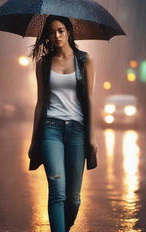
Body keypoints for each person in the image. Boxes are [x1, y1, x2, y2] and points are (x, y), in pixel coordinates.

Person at [28, 15, 97, 232]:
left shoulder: (85, 60)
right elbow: (39, 102)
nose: (56, 36)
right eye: (51, 32)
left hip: (77, 131)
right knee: (57, 190)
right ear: (46, 36)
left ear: (68, 32)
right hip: (51, 129)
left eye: (60, 31)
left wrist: (92, 137)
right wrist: (33, 140)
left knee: (74, 198)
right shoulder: (43, 63)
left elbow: (90, 100)